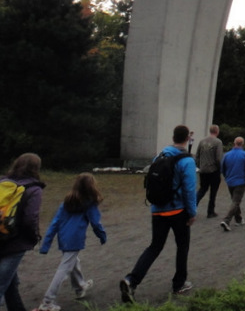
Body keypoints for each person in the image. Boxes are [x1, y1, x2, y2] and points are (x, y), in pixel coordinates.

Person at [120, 125, 196, 302]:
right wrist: (192, 212)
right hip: (178, 211)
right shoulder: (187, 161)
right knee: (182, 246)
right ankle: (179, 283)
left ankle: (131, 280)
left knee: (154, 247)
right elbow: (190, 190)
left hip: (158, 210)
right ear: (186, 139)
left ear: (173, 137)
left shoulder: (159, 156)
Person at [37, 173, 107, 311]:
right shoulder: (90, 204)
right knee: (64, 268)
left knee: (73, 261)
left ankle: (80, 287)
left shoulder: (66, 203)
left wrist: (46, 244)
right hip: (75, 239)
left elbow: (54, 223)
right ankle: (47, 301)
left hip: (63, 238)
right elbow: (96, 223)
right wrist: (102, 236)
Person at [0, 153, 44, 311]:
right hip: (15, 242)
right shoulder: (34, 189)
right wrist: (33, 238)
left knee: (11, 283)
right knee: (2, 283)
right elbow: (30, 218)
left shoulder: (2, 182)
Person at [219, 137, 245, 231]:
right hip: (241, 181)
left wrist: (227, 177)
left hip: (230, 181)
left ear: (234, 143)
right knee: (236, 201)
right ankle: (227, 220)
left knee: (235, 200)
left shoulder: (227, 155)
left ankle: (239, 219)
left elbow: (223, 168)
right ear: (243, 144)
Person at [194, 125, 223, 218]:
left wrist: (199, 165)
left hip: (203, 170)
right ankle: (210, 211)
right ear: (217, 131)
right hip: (213, 170)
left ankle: (192, 207)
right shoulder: (218, 142)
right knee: (213, 192)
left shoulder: (202, 141)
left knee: (202, 189)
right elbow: (218, 158)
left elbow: (197, 155)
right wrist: (220, 168)